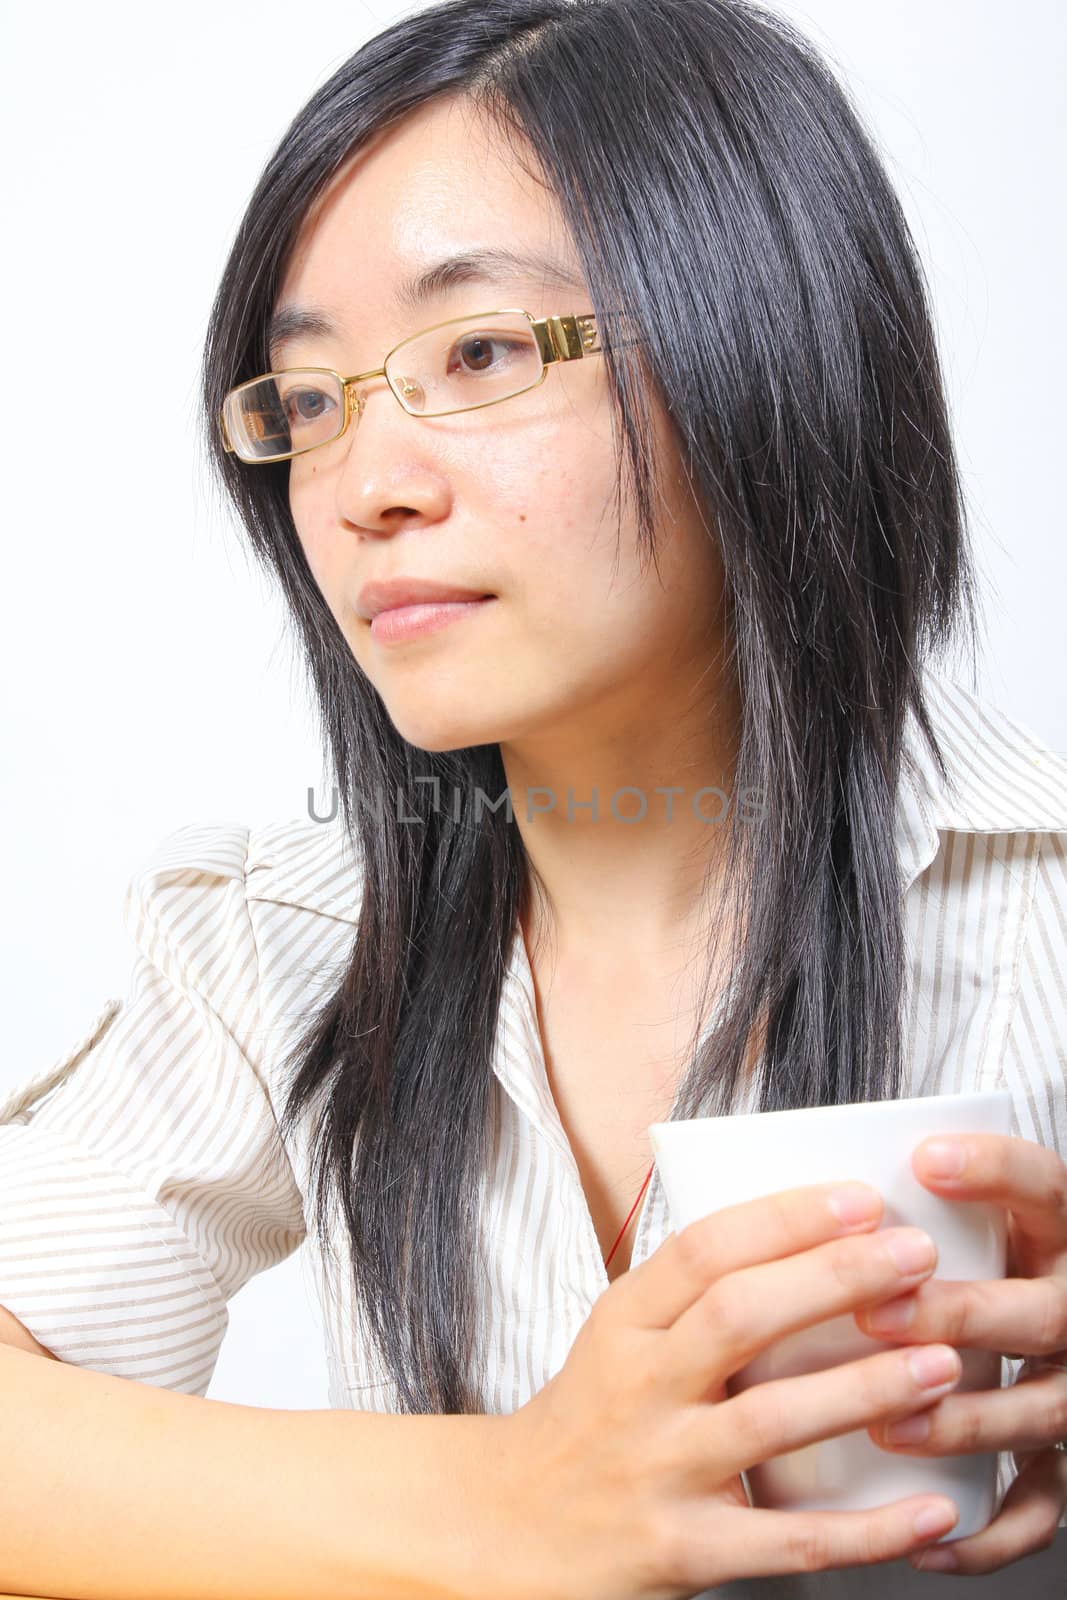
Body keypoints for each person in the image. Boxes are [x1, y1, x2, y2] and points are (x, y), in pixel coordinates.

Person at [1, 0, 1065, 1594]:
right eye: (306, 402)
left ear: (760, 351)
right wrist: (513, 1500)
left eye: (481, 351)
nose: (364, 487)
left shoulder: (1033, 893)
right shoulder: (282, 940)